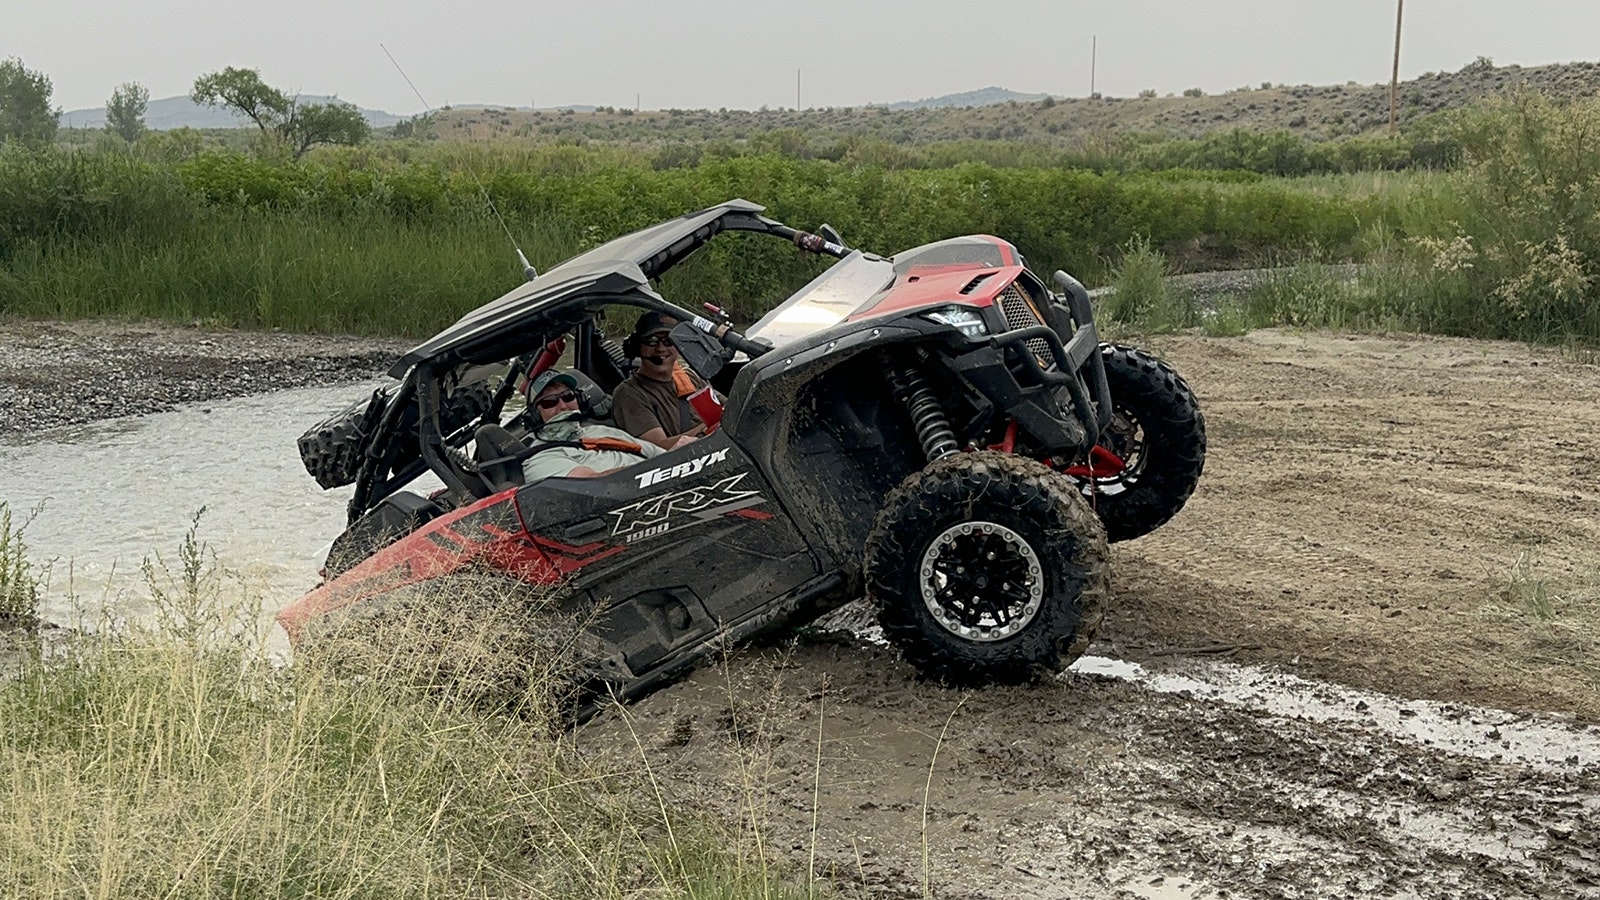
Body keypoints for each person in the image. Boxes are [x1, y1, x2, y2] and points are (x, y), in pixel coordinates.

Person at [519, 369, 665, 481]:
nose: (563, 406)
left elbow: (660, 454)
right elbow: (594, 484)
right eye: (549, 401)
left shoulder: (602, 430)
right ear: (535, 416)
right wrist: (657, 469)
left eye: (568, 396)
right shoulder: (541, 458)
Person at [611, 311, 716, 450]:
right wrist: (710, 428)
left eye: (669, 341)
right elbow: (659, 449)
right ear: (637, 347)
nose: (661, 349)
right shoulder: (629, 394)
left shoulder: (690, 377)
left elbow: (727, 409)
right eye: (652, 341)